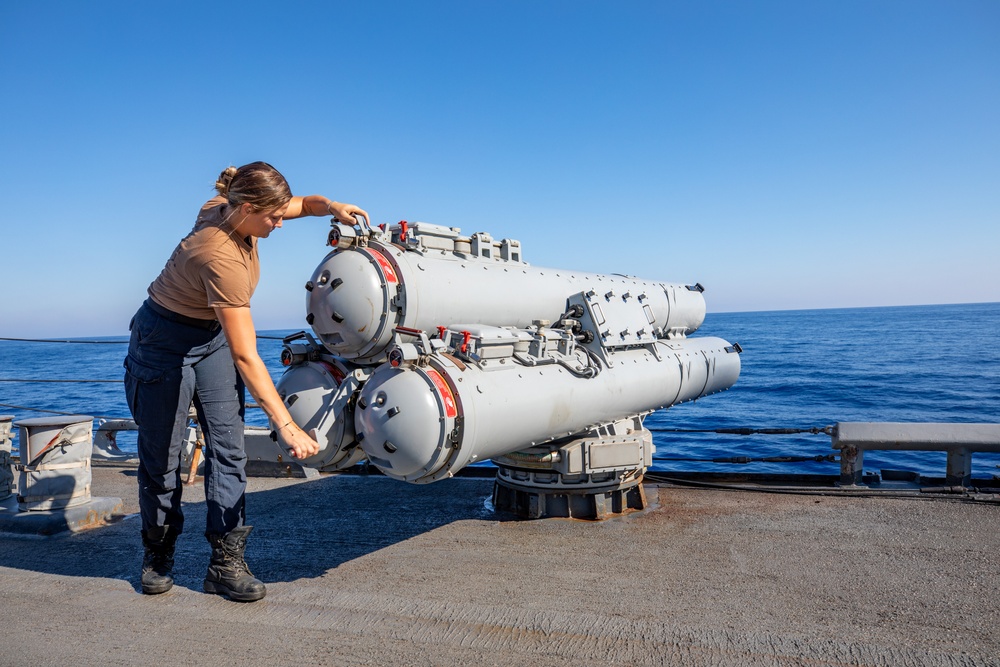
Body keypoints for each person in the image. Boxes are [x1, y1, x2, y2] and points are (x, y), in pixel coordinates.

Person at [123, 162, 368, 601]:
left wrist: (332, 206)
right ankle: (157, 553)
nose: (279, 222)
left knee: (229, 451)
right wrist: (286, 425)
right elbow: (247, 355)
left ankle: (224, 565)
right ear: (248, 208)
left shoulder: (232, 206)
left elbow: (302, 205)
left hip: (209, 337)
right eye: (272, 217)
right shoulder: (218, 255)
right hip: (162, 342)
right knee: (162, 457)